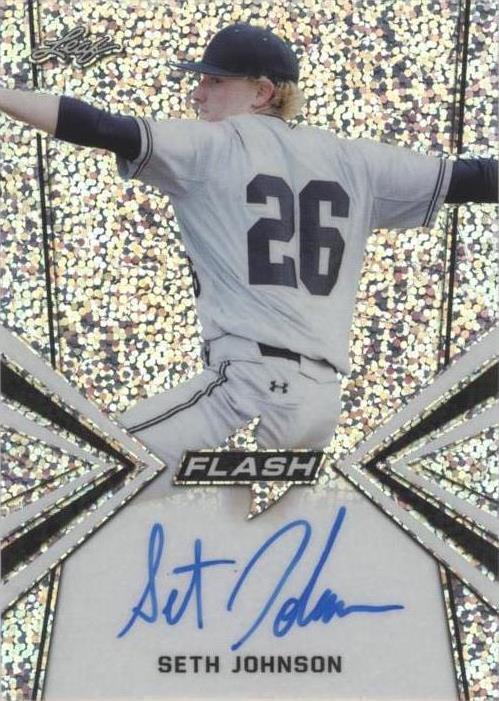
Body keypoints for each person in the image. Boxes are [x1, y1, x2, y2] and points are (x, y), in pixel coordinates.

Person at [1, 23, 497, 486]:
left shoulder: (214, 145)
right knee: (234, 531)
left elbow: (99, 126)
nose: (198, 94)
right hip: (318, 405)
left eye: (215, 81)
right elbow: (477, 179)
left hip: (245, 388)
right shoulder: (357, 161)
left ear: (262, 92)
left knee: (92, 470)